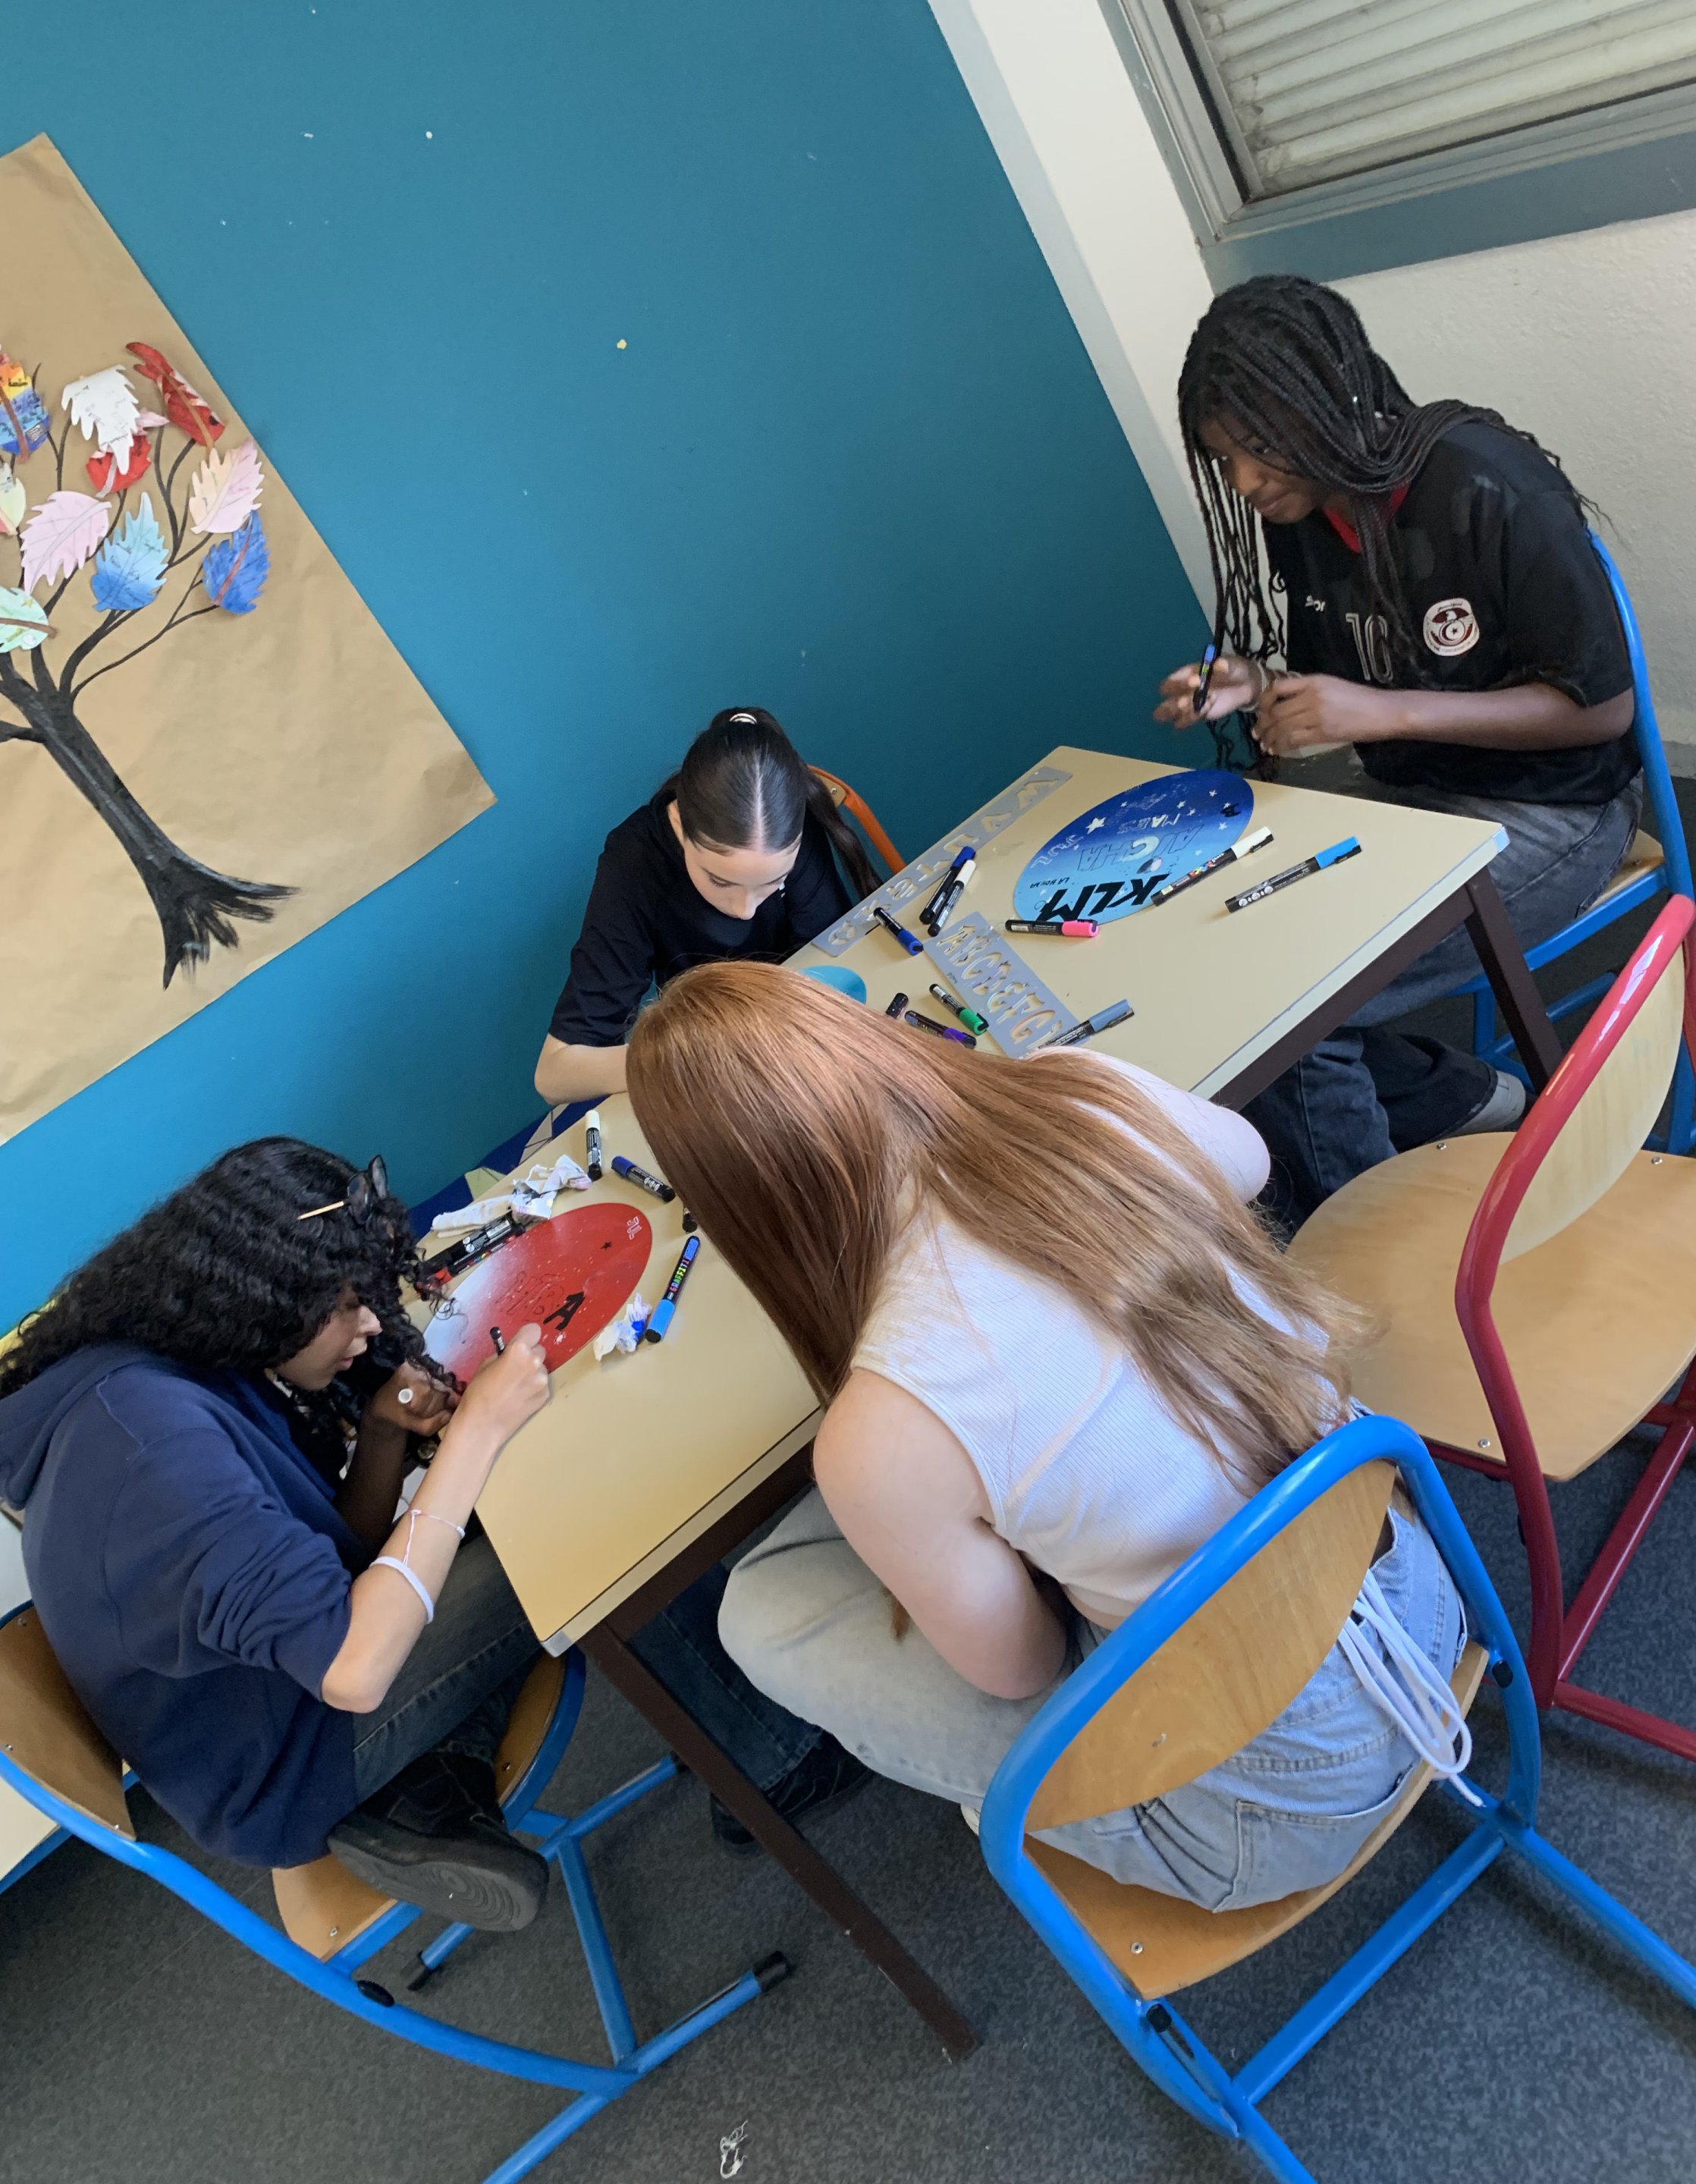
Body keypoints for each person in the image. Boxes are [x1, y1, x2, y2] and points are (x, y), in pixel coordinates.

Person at [622, 963, 1470, 1909]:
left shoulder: (880, 1431)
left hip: (1278, 1802)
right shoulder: (1081, 1088)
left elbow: (1020, 1670)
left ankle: (1064, 1780)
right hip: (1421, 1593)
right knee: (908, 1521)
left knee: (760, 1615)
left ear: (739, 1210)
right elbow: (1248, 1162)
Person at [0, 1141, 862, 1921]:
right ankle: (778, 1760)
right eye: (344, 1307)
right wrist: (476, 1432)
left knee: (508, 1505)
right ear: (261, 1295)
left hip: (277, 1692)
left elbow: (330, 1561)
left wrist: (381, 1437)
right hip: (295, 1755)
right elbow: (354, 1664)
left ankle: (439, 1783)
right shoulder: (153, 1456)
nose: (371, 1324)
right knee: (571, 1529)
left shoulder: (171, 1361)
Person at [1154, 275, 1641, 1226]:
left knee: (1288, 1021)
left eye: (1257, 448)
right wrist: (1254, 681)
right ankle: (1458, 1101)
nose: (1245, 484)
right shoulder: (1304, 514)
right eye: (1225, 460)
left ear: (1326, 399)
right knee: (1240, 963)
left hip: (1560, 808)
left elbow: (1601, 709)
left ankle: (1377, 1250)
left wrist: (1383, 714)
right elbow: (1351, 670)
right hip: (1417, 803)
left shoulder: (1488, 483)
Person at [535, 706, 879, 1105]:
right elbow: (554, 1074)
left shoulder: (788, 823)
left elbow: (835, 958)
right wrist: (694, 1055)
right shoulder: (634, 864)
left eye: (773, 883)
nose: (745, 910)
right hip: (711, 1054)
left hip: (794, 1042)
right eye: (720, 881)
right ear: (680, 826)